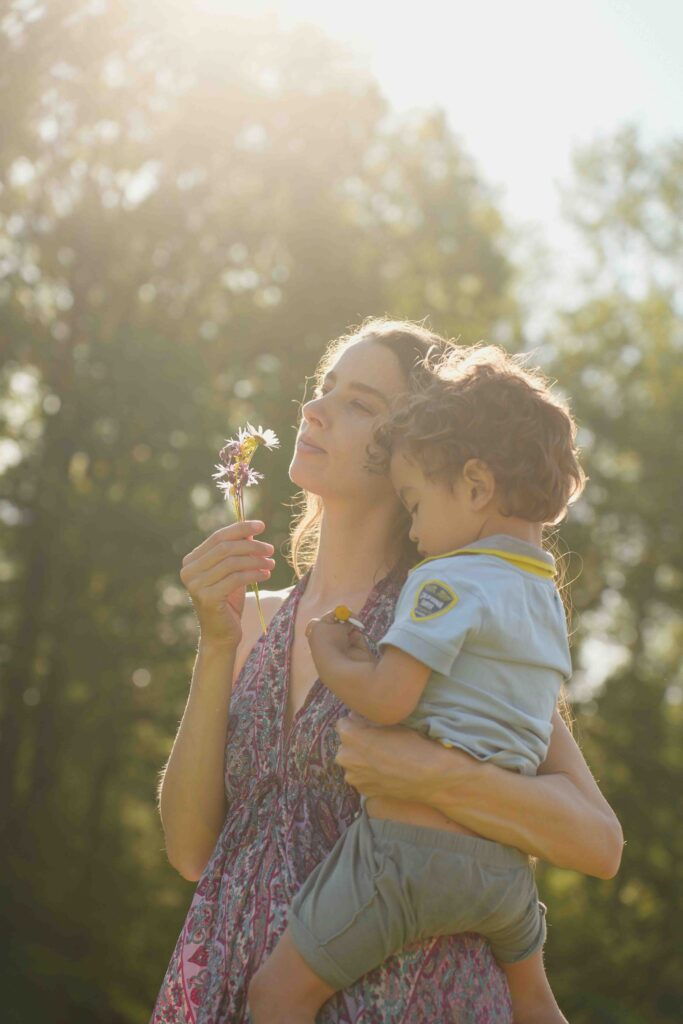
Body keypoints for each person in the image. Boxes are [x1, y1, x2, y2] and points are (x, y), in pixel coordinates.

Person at [150, 318, 623, 1024]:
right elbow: (192, 853)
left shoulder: (450, 618)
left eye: (359, 404)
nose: (314, 410)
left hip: (415, 1002)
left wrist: (435, 777)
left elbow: (597, 840)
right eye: (324, 389)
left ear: (416, 446)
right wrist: (215, 645)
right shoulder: (253, 617)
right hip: (223, 982)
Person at [248, 343, 588, 1023]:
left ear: (473, 486)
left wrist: (336, 655)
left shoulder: (442, 582)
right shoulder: (541, 597)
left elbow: (387, 697)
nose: (413, 526)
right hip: (502, 876)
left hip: (407, 858)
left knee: (273, 997)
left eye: (413, 502)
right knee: (535, 1000)